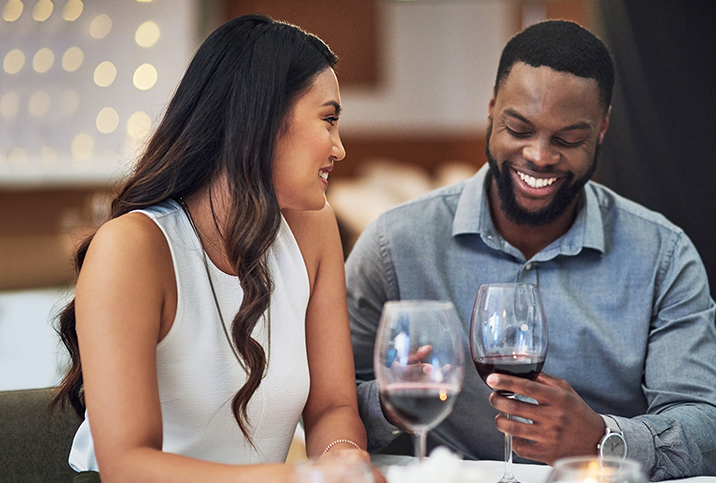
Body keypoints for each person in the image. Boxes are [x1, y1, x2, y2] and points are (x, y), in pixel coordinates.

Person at [346, 19, 716, 481]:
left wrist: (603, 438)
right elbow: (329, 404)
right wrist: (389, 403)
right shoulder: (393, 244)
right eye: (518, 129)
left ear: (601, 131)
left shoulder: (663, 256)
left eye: (567, 139)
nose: (539, 156)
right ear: (491, 111)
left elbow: (706, 423)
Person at [51, 14, 378, 483]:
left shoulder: (313, 227)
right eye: (328, 120)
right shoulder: (134, 249)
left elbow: (333, 406)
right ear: (261, 120)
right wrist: (300, 479)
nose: (339, 148)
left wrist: (342, 457)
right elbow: (126, 464)